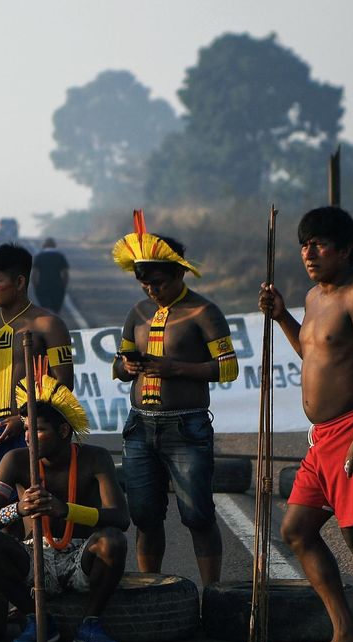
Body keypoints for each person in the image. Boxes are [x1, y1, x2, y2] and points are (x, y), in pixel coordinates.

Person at [259, 207, 353, 642]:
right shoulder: (314, 296)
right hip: (321, 438)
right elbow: (313, 352)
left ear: (345, 249)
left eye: (319, 244)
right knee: (296, 530)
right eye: (304, 244)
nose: (309, 253)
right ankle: (346, 631)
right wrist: (282, 317)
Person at [111, 211, 238, 587]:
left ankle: (212, 595)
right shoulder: (137, 312)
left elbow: (228, 368)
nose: (152, 291)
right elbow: (117, 365)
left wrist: (176, 368)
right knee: (145, 517)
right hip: (139, 427)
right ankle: (151, 592)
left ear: (180, 274)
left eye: (159, 283)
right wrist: (126, 368)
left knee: (198, 516)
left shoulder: (204, 312)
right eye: (145, 284)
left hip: (187, 426)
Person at [0, 376, 128, 642]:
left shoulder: (96, 458)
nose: (29, 437)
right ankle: (36, 618)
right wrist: (18, 509)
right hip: (35, 558)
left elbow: (120, 518)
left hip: (82, 556)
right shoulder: (16, 460)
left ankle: (91, 623)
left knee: (112, 541)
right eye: (27, 429)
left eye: (39, 430)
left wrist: (66, 510)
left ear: (64, 430)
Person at [0, 244, 75, 494]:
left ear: (20, 282)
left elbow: (65, 384)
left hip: (33, 434)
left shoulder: (49, 325)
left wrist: (25, 418)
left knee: (33, 514)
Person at [32, 237, 70, 314]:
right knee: (55, 309)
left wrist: (36, 286)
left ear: (44, 245)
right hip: (57, 285)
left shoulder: (39, 256)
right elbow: (65, 273)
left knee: (45, 308)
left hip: (43, 285)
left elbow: (34, 273)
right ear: (54, 245)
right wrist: (63, 286)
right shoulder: (60, 256)